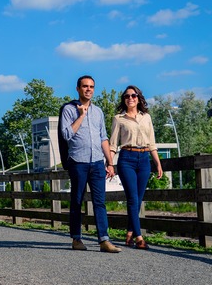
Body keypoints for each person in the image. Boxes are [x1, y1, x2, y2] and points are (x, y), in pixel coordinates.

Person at [60, 75, 122, 253]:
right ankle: (76, 239)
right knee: (77, 201)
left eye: (91, 87)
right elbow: (66, 135)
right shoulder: (68, 110)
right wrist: (81, 116)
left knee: (99, 202)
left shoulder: (99, 112)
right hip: (77, 161)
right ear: (78, 89)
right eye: (85, 86)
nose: (89, 89)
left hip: (97, 162)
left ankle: (104, 240)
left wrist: (110, 163)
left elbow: (103, 138)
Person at [109, 85, 163, 250]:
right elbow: (112, 144)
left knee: (138, 200)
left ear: (139, 98)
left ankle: (129, 234)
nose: (130, 98)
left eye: (133, 96)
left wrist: (158, 163)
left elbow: (152, 143)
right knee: (132, 198)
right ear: (124, 99)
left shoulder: (146, 117)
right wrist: (110, 164)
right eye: (127, 96)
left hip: (144, 159)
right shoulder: (119, 119)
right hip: (127, 159)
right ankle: (139, 237)